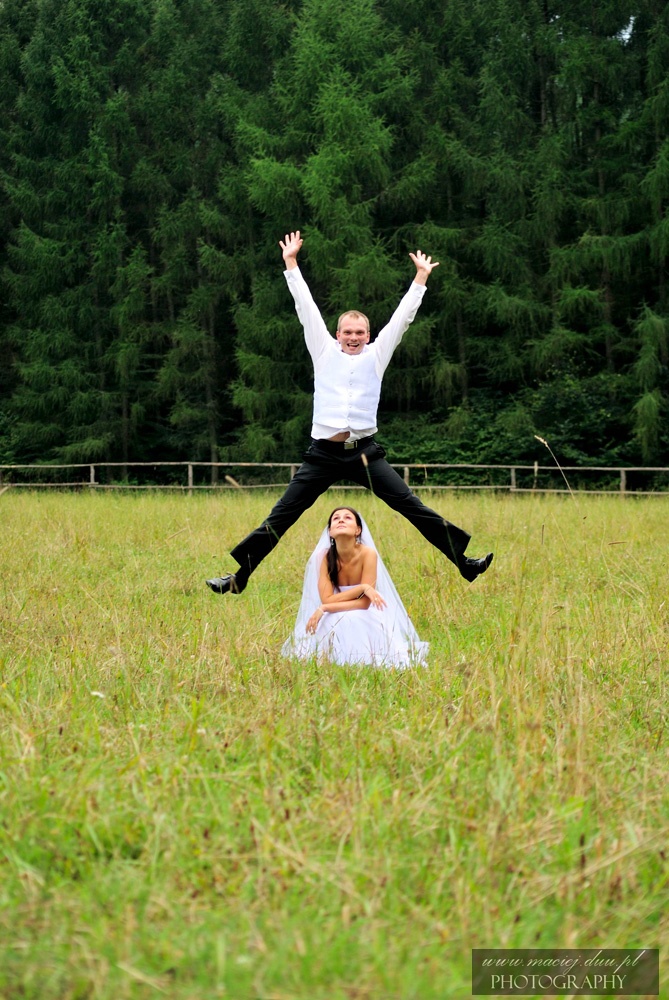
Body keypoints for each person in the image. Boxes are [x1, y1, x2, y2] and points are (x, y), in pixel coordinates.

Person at [206, 230, 493, 596]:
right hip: (323, 454)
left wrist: (421, 278)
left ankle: (463, 563)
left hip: (363, 453)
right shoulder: (323, 351)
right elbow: (305, 307)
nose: (353, 337)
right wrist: (291, 263)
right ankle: (239, 576)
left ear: (368, 335)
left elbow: (402, 319)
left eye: (359, 332)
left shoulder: (377, 356)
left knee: (409, 504)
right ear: (337, 333)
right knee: (283, 514)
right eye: (347, 332)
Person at [282, 506, 428, 668]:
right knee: (331, 622)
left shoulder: (368, 554)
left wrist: (326, 607)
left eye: (347, 517)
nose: (341, 520)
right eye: (336, 518)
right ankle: (335, 661)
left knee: (354, 619)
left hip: (366, 609)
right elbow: (327, 599)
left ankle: (361, 659)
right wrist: (361, 588)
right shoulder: (323, 557)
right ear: (330, 532)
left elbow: (364, 603)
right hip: (333, 607)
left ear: (358, 530)